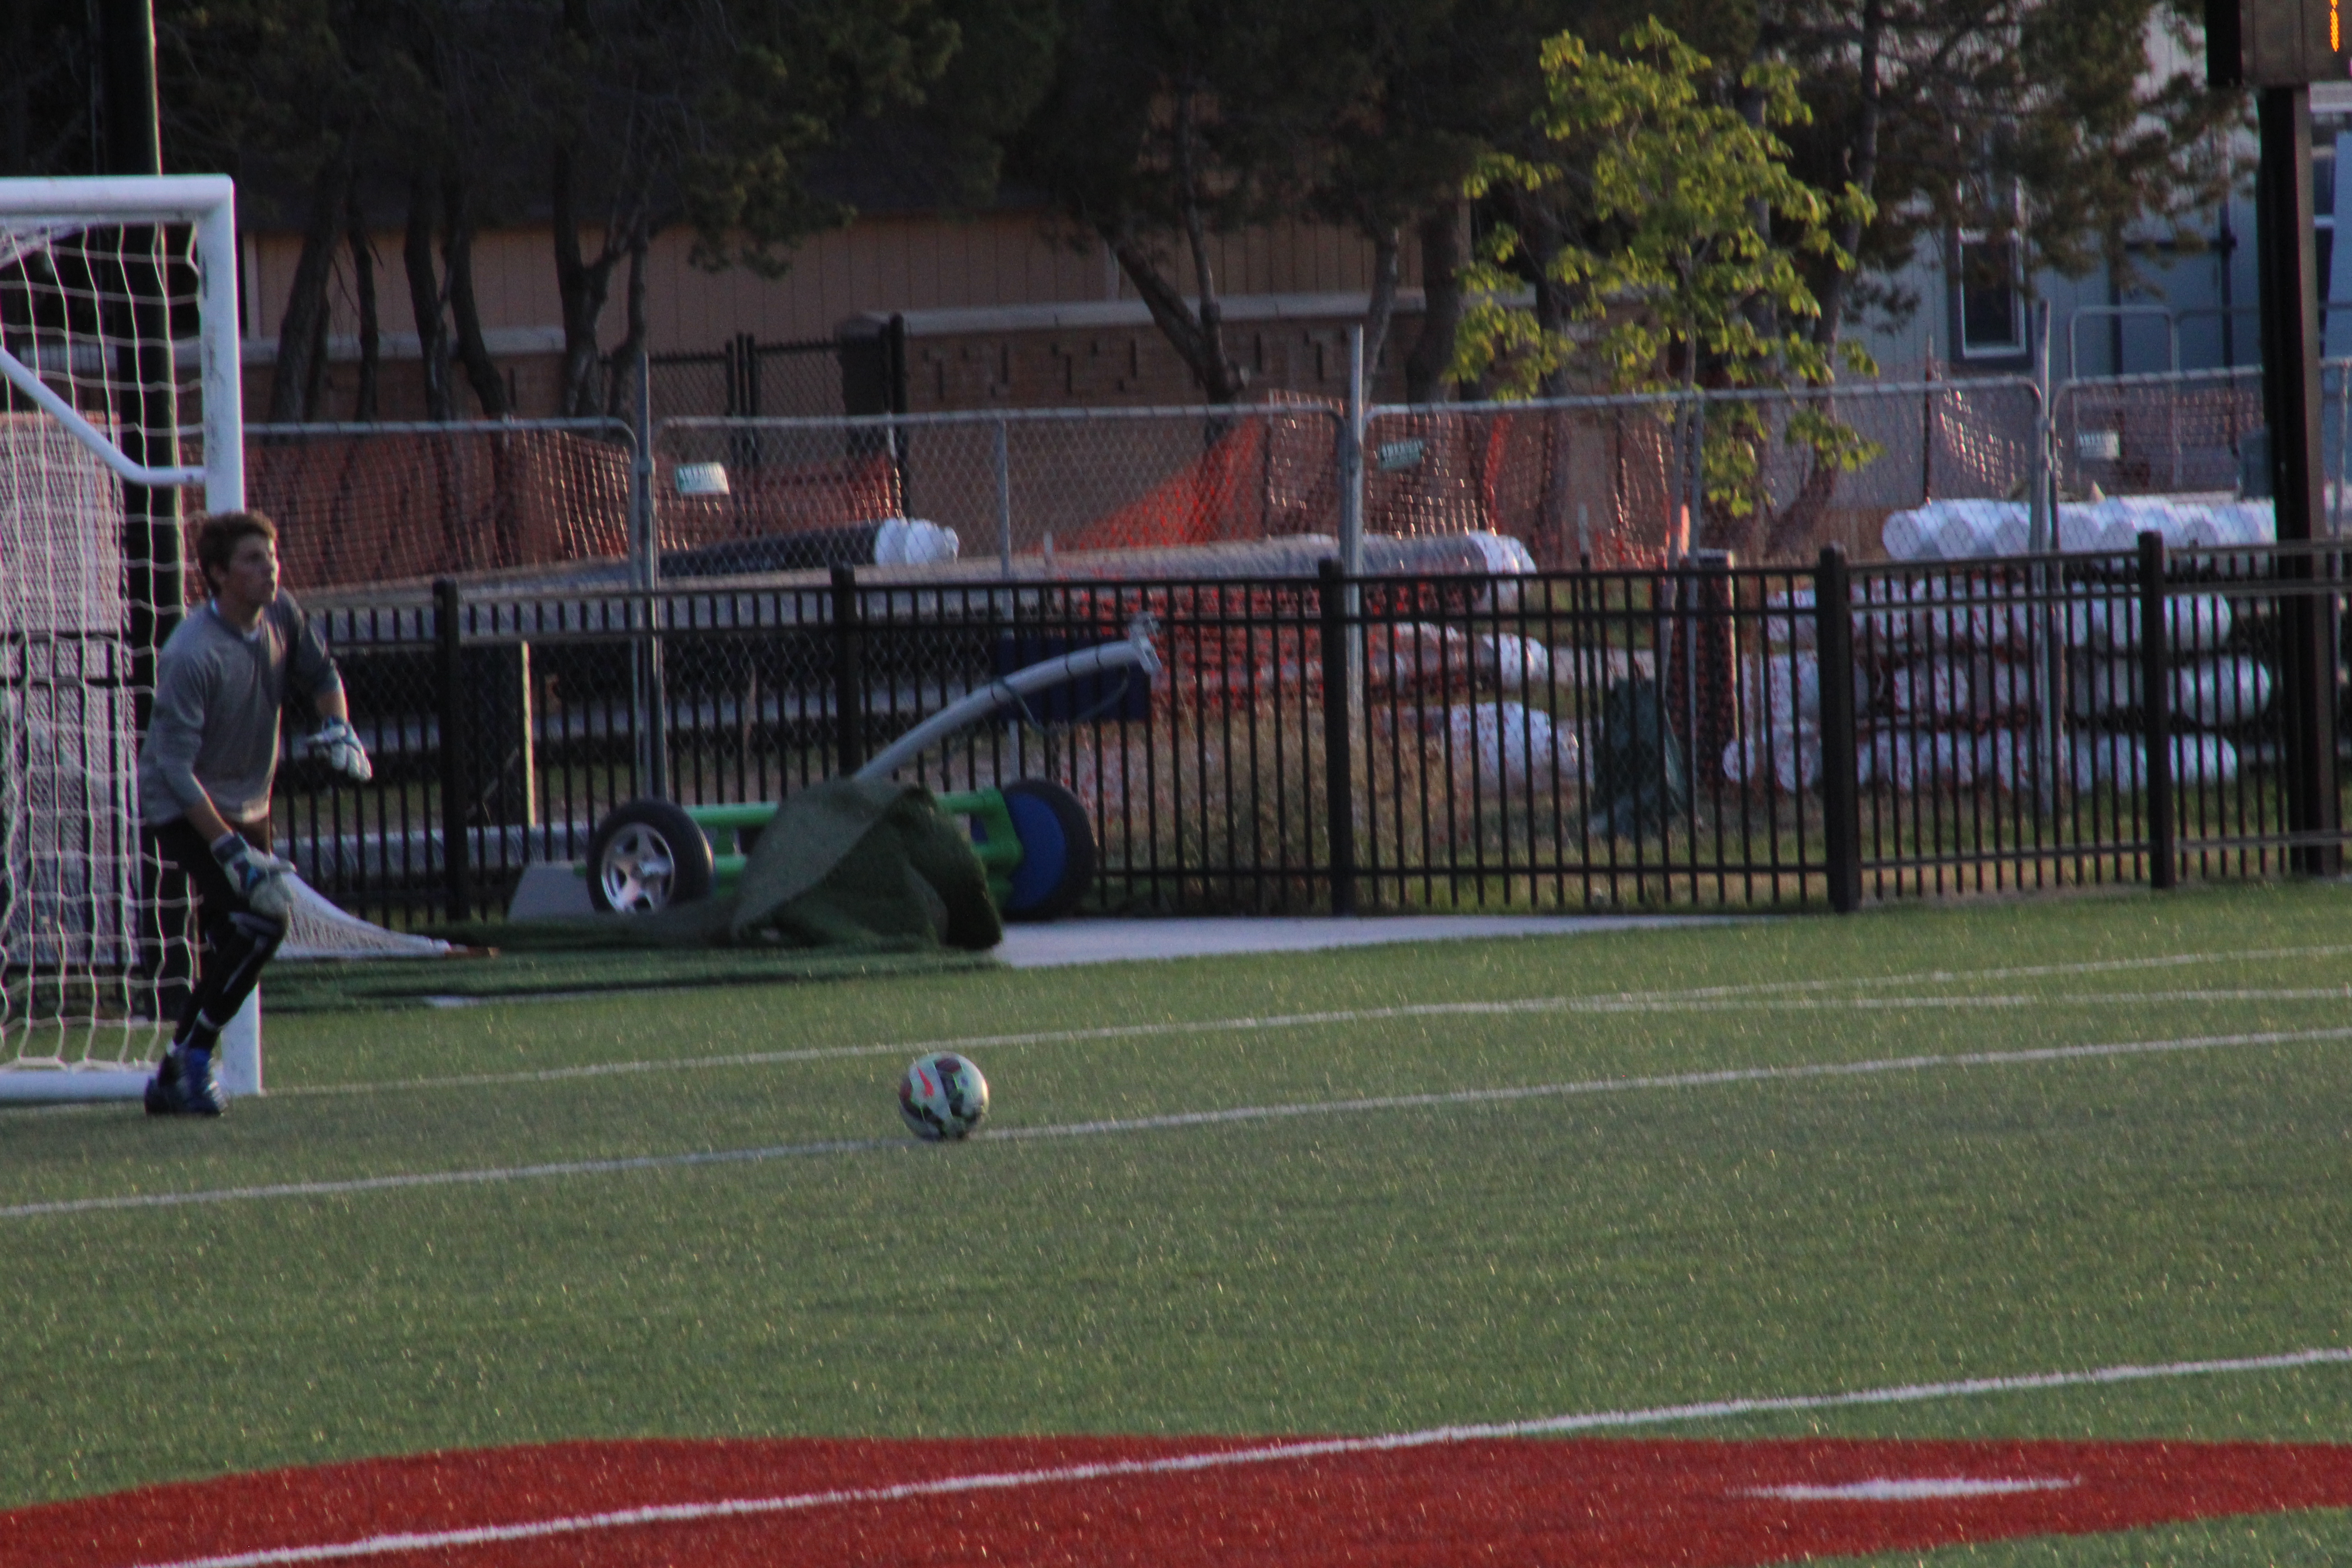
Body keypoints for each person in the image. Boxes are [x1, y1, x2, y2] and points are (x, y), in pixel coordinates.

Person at [138, 511, 372, 1116]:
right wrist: (229, 849)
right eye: (253, 560)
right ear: (218, 574)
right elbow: (174, 771)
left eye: (272, 558)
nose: (270, 570)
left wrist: (338, 725)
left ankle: (175, 1072)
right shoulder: (192, 653)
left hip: (249, 802)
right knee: (265, 921)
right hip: (184, 807)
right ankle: (190, 1061)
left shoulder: (281, 614)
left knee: (238, 940)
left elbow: (323, 674)